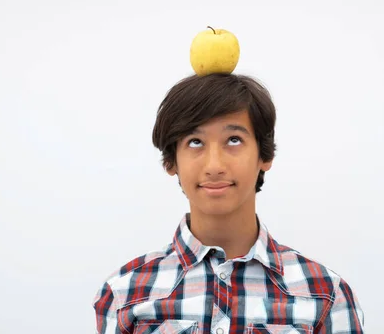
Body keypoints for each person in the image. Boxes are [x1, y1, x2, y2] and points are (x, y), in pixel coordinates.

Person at [92, 73, 365, 333]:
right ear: (171, 161)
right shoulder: (124, 293)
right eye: (195, 142)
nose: (214, 166)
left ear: (264, 155)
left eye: (234, 140)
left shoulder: (325, 295)